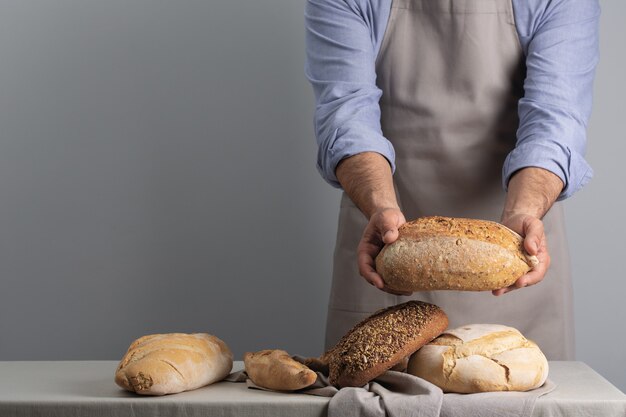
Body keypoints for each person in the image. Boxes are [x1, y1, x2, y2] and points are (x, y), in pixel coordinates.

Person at [305, 0, 599, 360]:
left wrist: (524, 210)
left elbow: (555, 119)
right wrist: (381, 206)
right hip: (385, 244)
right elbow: (345, 113)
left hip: (517, 252)